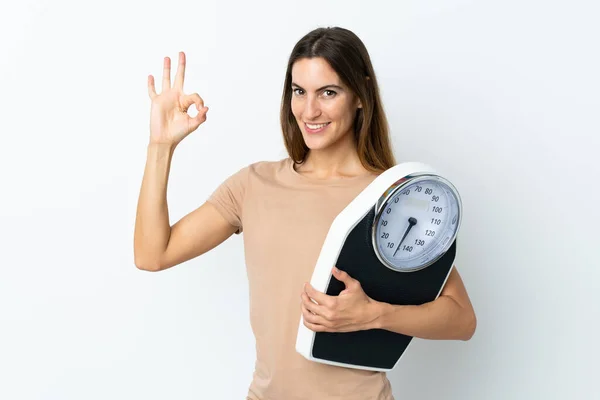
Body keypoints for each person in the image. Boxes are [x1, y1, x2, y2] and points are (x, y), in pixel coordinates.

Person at [134, 26, 476, 400]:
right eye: (300, 91)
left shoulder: (390, 197)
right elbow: (153, 254)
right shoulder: (254, 184)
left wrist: (373, 314)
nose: (309, 110)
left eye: (328, 92)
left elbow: (460, 318)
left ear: (360, 96)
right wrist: (160, 146)